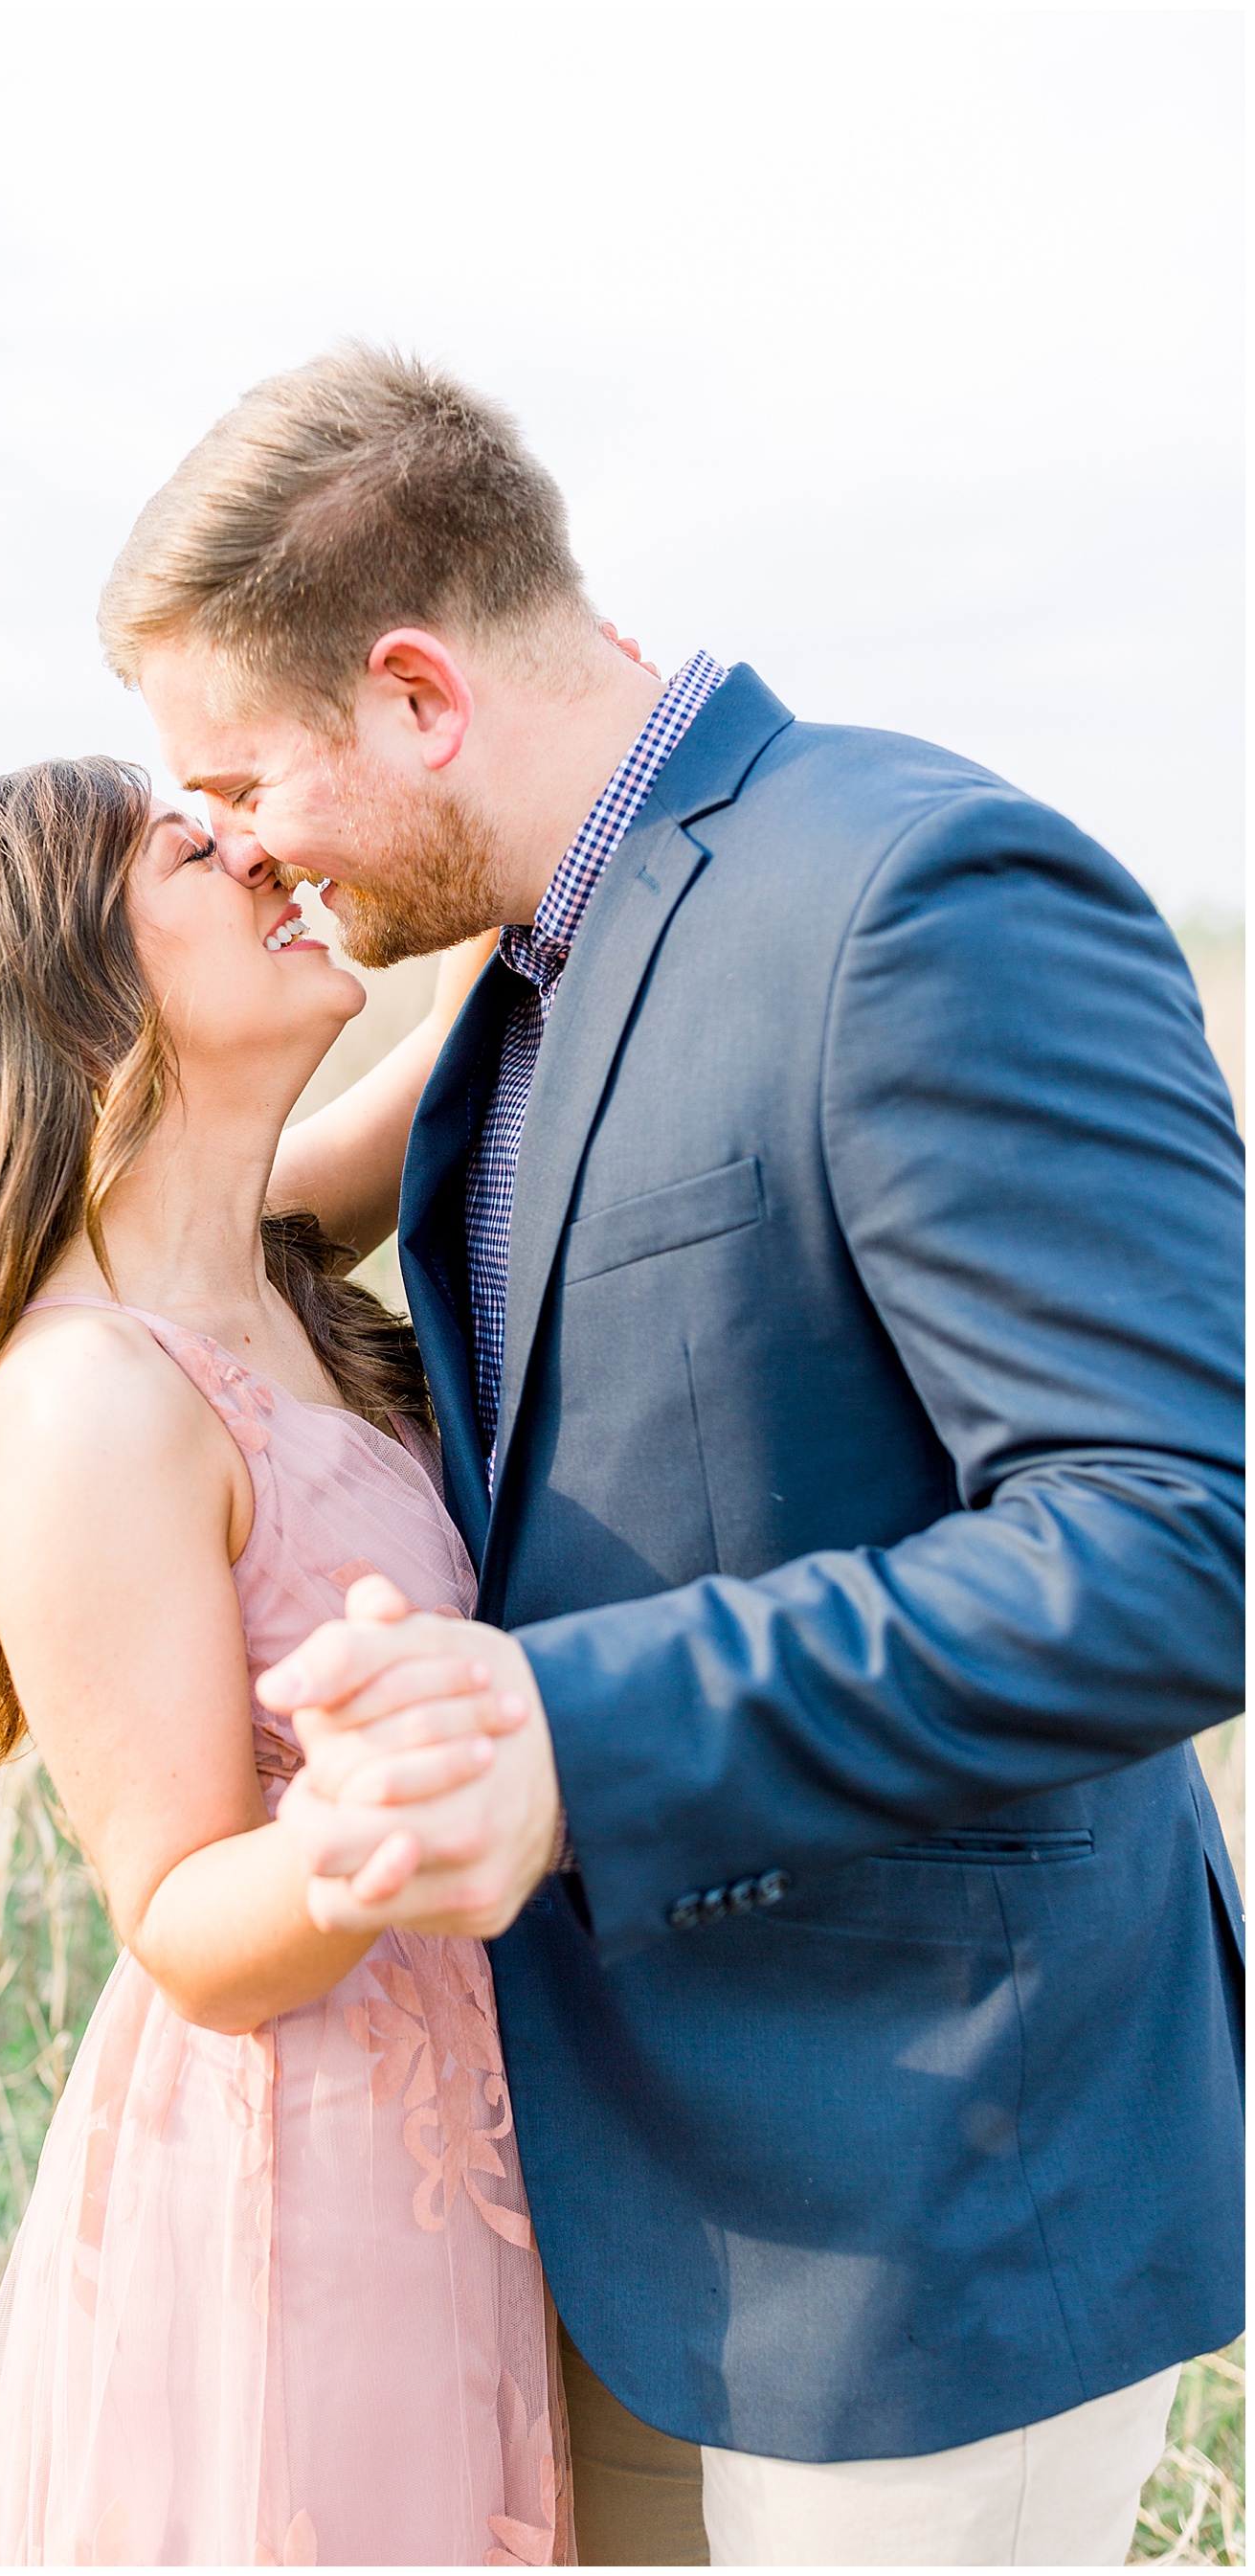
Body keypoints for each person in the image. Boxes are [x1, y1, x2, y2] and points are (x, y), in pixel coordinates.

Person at [99, 344, 1245, 2566]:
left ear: (419, 697)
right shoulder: (509, 971)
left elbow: (1181, 1541)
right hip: (617, 2200)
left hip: (927, 2207)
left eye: (244, 783)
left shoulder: (914, 897)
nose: (248, 853)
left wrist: (566, 1729)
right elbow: (226, 1247)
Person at [0, 756, 576, 2565]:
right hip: (298, 2186)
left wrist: (489, 769)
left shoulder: (256, 1260)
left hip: (449, 2136)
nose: (255, 845)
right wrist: (398, 1799)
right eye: (186, 842)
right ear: (72, 998)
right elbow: (182, 1918)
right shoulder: (88, 1401)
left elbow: (462, 1010)